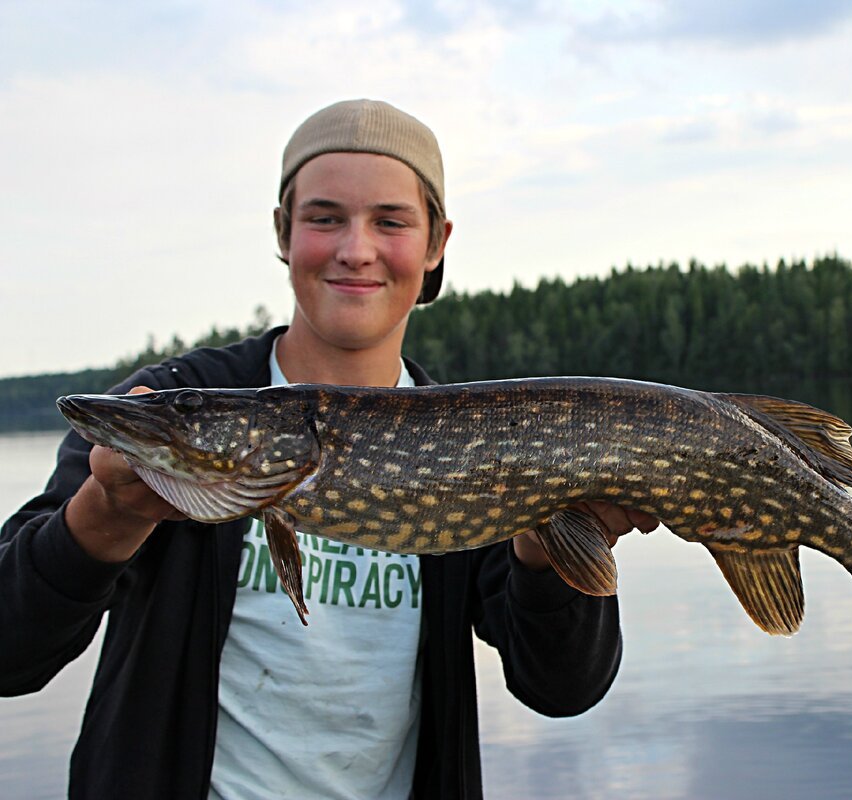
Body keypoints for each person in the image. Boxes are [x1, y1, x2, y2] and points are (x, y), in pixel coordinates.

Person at [0, 99, 657, 799]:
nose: (355, 248)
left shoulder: (479, 439)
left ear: (436, 243)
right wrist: (105, 518)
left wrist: (545, 545)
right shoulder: (171, 401)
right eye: (323, 217)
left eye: (391, 220)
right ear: (284, 233)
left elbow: (561, 687)